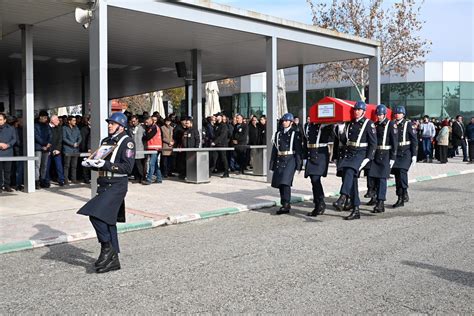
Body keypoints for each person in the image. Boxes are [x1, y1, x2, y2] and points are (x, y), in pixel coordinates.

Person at [77, 112, 135, 273]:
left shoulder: (127, 142)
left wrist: (105, 164)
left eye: (112, 123)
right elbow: (100, 162)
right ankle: (113, 259)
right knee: (108, 220)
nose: (109, 125)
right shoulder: (106, 141)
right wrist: (92, 164)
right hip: (104, 183)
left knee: (94, 214)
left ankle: (106, 248)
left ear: (121, 126)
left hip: (117, 184)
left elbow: (128, 168)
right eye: (109, 122)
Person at [332, 101, 376, 220]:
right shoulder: (350, 123)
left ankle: (342, 197)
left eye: (359, 110)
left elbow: (373, 143)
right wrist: (340, 129)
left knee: (350, 172)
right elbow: (344, 140)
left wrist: (368, 158)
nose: (356, 112)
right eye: (355, 110)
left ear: (363, 111)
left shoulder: (368, 123)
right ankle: (356, 209)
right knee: (352, 181)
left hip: (360, 154)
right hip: (349, 153)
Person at [366, 105, 398, 213]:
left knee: (382, 179)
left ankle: (380, 203)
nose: (378, 116)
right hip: (375, 154)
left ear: (384, 114)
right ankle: (373, 195)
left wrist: (393, 157)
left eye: (380, 114)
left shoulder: (391, 124)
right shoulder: (374, 125)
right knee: (371, 176)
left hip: (385, 155)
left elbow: (394, 142)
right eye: (377, 114)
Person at [269, 113, 303, 215]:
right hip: (280, 158)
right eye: (283, 121)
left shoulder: (295, 133)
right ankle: (284, 203)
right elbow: (275, 150)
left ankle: (286, 203)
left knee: (285, 182)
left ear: (291, 122)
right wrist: (272, 163)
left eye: (286, 121)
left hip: (290, 159)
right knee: (279, 182)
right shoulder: (278, 134)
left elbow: (298, 150)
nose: (284, 122)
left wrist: (299, 164)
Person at [303, 121, 334, 217]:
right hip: (310, 154)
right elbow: (305, 142)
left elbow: (330, 136)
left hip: (321, 154)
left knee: (316, 179)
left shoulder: (326, 125)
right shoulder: (307, 126)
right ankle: (319, 203)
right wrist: (304, 158)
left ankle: (319, 203)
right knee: (313, 180)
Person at [391, 105, 417, 208]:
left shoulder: (408, 124)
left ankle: (400, 198)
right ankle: (404, 192)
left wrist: (414, 155)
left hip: (405, 153)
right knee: (397, 175)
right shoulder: (393, 124)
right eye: (396, 113)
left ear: (403, 114)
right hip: (396, 153)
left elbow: (414, 140)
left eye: (399, 113)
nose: (397, 115)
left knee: (402, 173)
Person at [142, 115, 163, 185]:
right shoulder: (152, 127)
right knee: (155, 164)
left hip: (155, 148)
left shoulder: (154, 127)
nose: (146, 123)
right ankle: (159, 178)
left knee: (151, 164)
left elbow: (148, 136)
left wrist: (144, 136)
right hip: (152, 147)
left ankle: (149, 179)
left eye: (147, 122)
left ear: (151, 120)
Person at [34, 111, 52, 189]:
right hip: (38, 147)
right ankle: (36, 181)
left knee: (44, 165)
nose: (46, 119)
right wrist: (45, 144)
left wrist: (48, 143)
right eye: (44, 117)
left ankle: (43, 180)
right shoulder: (35, 125)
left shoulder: (47, 126)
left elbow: (50, 135)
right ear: (40, 117)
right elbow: (36, 136)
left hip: (46, 148)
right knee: (37, 165)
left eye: (46, 117)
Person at [46, 115, 65, 187]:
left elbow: (60, 140)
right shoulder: (46, 127)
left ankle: (61, 180)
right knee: (46, 167)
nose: (58, 121)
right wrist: (49, 150)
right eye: (57, 120)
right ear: (52, 120)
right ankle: (46, 181)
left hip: (57, 150)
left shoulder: (59, 128)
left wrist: (58, 149)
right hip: (48, 150)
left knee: (59, 166)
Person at [62, 115, 82, 184]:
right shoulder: (64, 128)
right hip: (67, 149)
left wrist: (77, 143)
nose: (75, 122)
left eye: (75, 120)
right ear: (69, 121)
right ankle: (66, 180)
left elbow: (80, 137)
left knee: (74, 166)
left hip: (76, 149)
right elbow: (64, 138)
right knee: (66, 165)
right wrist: (72, 144)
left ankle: (74, 179)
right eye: (73, 120)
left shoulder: (76, 128)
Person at [0, 113, 17, 192]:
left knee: (8, 170)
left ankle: (7, 185)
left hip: (8, 152)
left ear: (5, 120)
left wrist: (8, 145)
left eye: (0, 120)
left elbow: (14, 139)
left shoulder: (11, 128)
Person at [209, 112, 230, 178]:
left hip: (222, 145)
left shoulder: (224, 126)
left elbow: (222, 136)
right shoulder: (216, 125)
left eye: (217, 116)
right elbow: (214, 135)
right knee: (214, 158)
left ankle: (226, 172)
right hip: (216, 145)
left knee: (224, 159)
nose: (215, 117)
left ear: (220, 117)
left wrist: (215, 142)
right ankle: (209, 172)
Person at [129, 115, 146, 183]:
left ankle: (142, 177)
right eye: (132, 121)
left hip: (140, 148)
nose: (133, 123)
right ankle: (137, 177)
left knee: (139, 164)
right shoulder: (130, 128)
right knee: (134, 164)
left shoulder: (142, 127)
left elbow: (145, 136)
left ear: (137, 120)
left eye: (134, 121)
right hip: (133, 148)